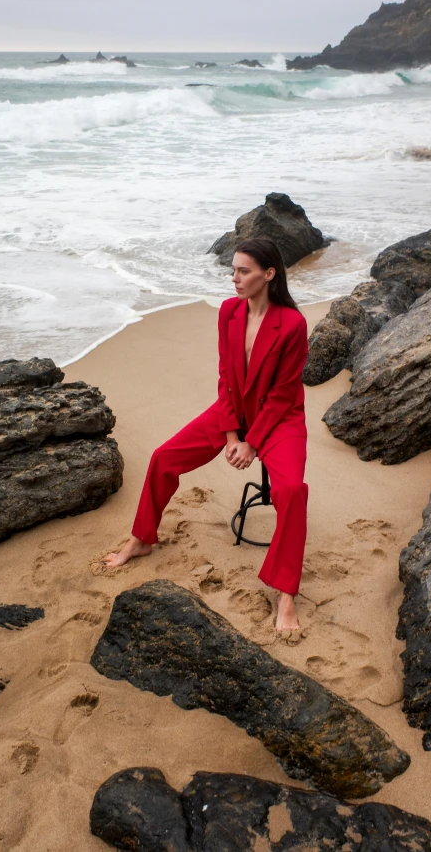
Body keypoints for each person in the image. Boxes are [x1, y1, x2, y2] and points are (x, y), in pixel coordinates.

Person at [104, 237, 309, 632]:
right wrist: (232, 435)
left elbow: (284, 394)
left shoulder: (293, 325)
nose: (234, 278)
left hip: (280, 419)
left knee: (291, 492)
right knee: (164, 457)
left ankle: (286, 594)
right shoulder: (229, 312)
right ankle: (142, 538)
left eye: (243, 271)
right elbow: (227, 377)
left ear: (269, 274)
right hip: (234, 412)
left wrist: (252, 442)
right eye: (233, 270)